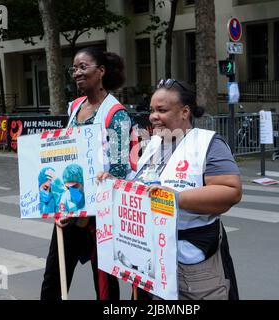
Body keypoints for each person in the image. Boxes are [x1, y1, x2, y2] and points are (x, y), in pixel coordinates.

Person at [98, 79, 242, 300]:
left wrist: (174, 199)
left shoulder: (208, 143)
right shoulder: (152, 144)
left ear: (185, 111)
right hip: (150, 261)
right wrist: (115, 185)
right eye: (152, 110)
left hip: (193, 265)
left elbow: (231, 191)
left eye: (161, 110)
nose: (153, 116)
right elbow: (141, 188)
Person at [40, 47, 132, 300]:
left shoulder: (117, 115)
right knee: (53, 281)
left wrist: (86, 208)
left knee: (104, 286)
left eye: (83, 67)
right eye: (74, 68)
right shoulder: (75, 107)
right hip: (68, 210)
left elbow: (119, 171)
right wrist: (62, 202)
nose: (77, 73)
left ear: (101, 71)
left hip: (99, 216)